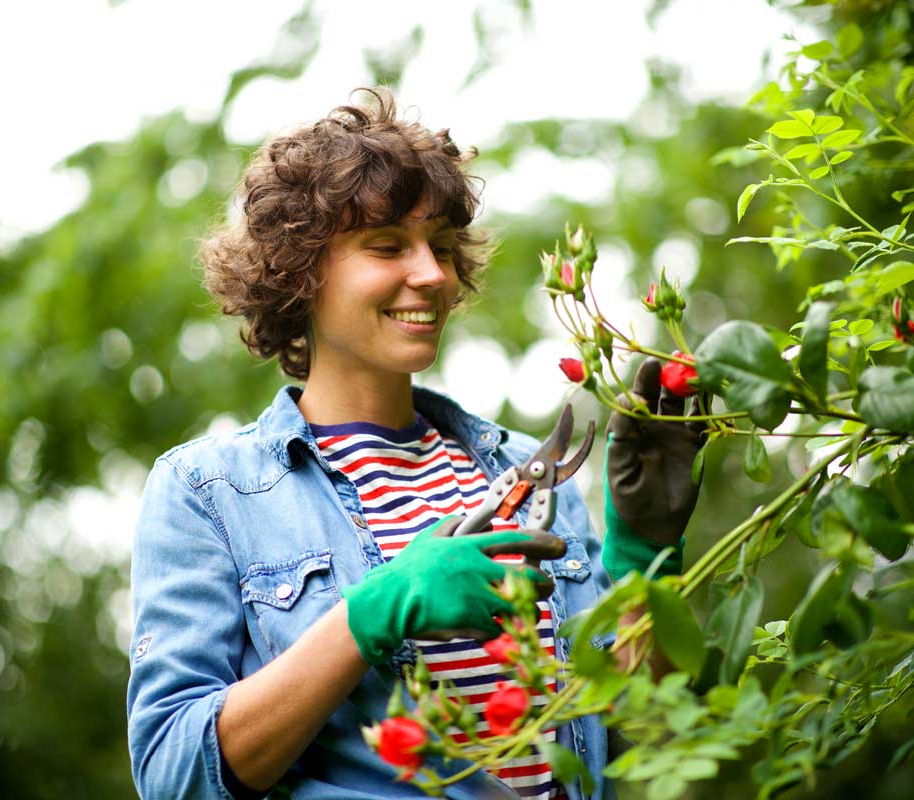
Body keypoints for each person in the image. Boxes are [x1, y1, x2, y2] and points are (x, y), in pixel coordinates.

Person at [125, 88, 704, 800]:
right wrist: (377, 610)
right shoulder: (210, 492)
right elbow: (173, 775)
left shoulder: (528, 474)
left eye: (441, 246)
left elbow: (639, 724)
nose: (431, 274)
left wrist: (646, 559)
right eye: (388, 246)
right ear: (300, 273)